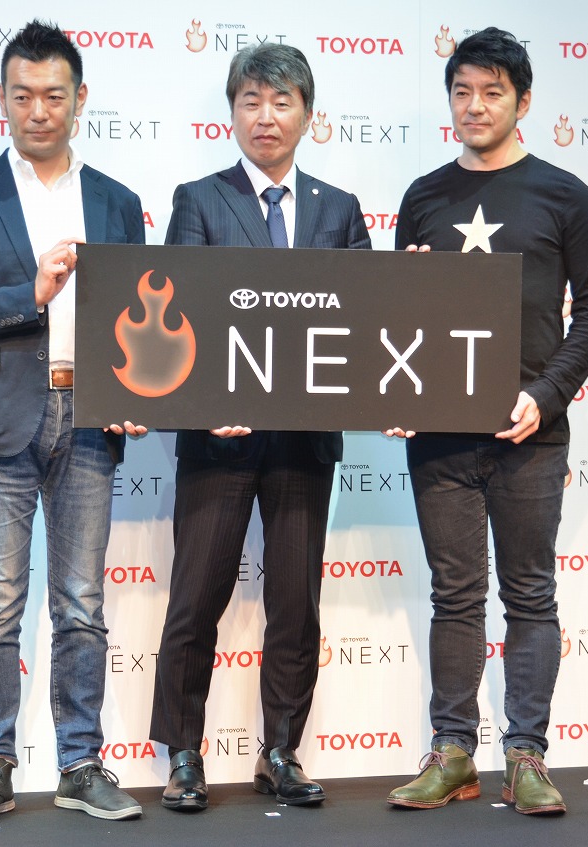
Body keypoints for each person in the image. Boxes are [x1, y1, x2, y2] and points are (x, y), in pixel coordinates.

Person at [0, 19, 147, 827]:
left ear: (80, 98)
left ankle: (80, 764)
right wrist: (33, 296)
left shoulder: (118, 201)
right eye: (23, 96)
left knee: (81, 602)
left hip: (91, 415)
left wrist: (141, 394)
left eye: (54, 95)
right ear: (3, 99)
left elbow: (141, 319)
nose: (39, 110)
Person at [384, 27, 588, 816]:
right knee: (454, 595)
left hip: (530, 435)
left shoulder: (563, 194)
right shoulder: (423, 196)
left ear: (523, 101)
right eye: (462, 92)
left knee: (530, 595)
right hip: (440, 438)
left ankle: (526, 756)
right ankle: (452, 752)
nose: (474, 106)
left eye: (492, 92)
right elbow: (398, 319)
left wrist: (545, 394)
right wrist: (396, 395)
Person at [149, 43, 370, 812]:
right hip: (220, 438)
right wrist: (207, 400)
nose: (265, 116)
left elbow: (362, 320)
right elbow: (181, 313)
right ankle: (184, 754)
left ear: (308, 114)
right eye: (250, 101)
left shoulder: (340, 209)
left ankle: (281, 750)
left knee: (296, 604)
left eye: (281, 102)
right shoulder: (199, 199)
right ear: (232, 113)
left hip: (304, 441)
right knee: (195, 598)